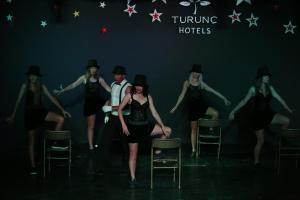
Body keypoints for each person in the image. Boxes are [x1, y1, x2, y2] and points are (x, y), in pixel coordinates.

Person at [6, 65, 71, 175]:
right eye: (31, 75)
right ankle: (33, 166)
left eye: (34, 75)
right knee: (32, 140)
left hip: (41, 112)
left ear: (37, 76)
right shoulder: (25, 86)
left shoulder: (41, 86)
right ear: (29, 76)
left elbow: (51, 98)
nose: (33, 77)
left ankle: (53, 142)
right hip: (30, 115)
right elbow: (18, 101)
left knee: (60, 119)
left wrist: (63, 110)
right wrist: (12, 116)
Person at [229, 66, 292, 166]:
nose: (268, 77)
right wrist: (233, 111)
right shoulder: (253, 89)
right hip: (257, 117)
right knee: (260, 141)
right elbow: (244, 101)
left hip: (269, 114)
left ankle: (280, 138)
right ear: (261, 77)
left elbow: (281, 100)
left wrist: (288, 109)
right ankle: (256, 162)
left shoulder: (270, 88)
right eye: (265, 76)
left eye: (268, 76)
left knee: (286, 120)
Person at [118, 74, 171, 188]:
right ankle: (133, 179)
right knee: (133, 155)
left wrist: (161, 125)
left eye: (140, 86)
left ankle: (157, 152)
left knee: (167, 130)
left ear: (144, 86)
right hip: (132, 129)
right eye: (136, 85)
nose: (138, 87)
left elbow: (154, 113)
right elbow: (119, 110)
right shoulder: (129, 96)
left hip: (145, 127)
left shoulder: (148, 97)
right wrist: (123, 125)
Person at [170, 64, 231, 157]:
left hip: (202, 107)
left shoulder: (202, 84)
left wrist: (224, 98)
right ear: (192, 73)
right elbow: (181, 95)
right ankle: (194, 150)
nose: (196, 74)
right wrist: (175, 107)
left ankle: (210, 130)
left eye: (198, 73)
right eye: (194, 72)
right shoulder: (187, 83)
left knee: (215, 113)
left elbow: (214, 91)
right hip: (192, 109)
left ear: (200, 74)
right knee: (193, 129)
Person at [54, 59, 111, 150]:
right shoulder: (84, 78)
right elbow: (73, 85)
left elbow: (108, 88)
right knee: (91, 126)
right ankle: (91, 146)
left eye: (94, 68)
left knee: (97, 124)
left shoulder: (99, 79)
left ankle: (92, 145)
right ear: (88, 69)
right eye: (91, 68)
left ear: (96, 69)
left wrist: (118, 93)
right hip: (89, 105)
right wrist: (62, 90)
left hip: (98, 103)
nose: (93, 70)